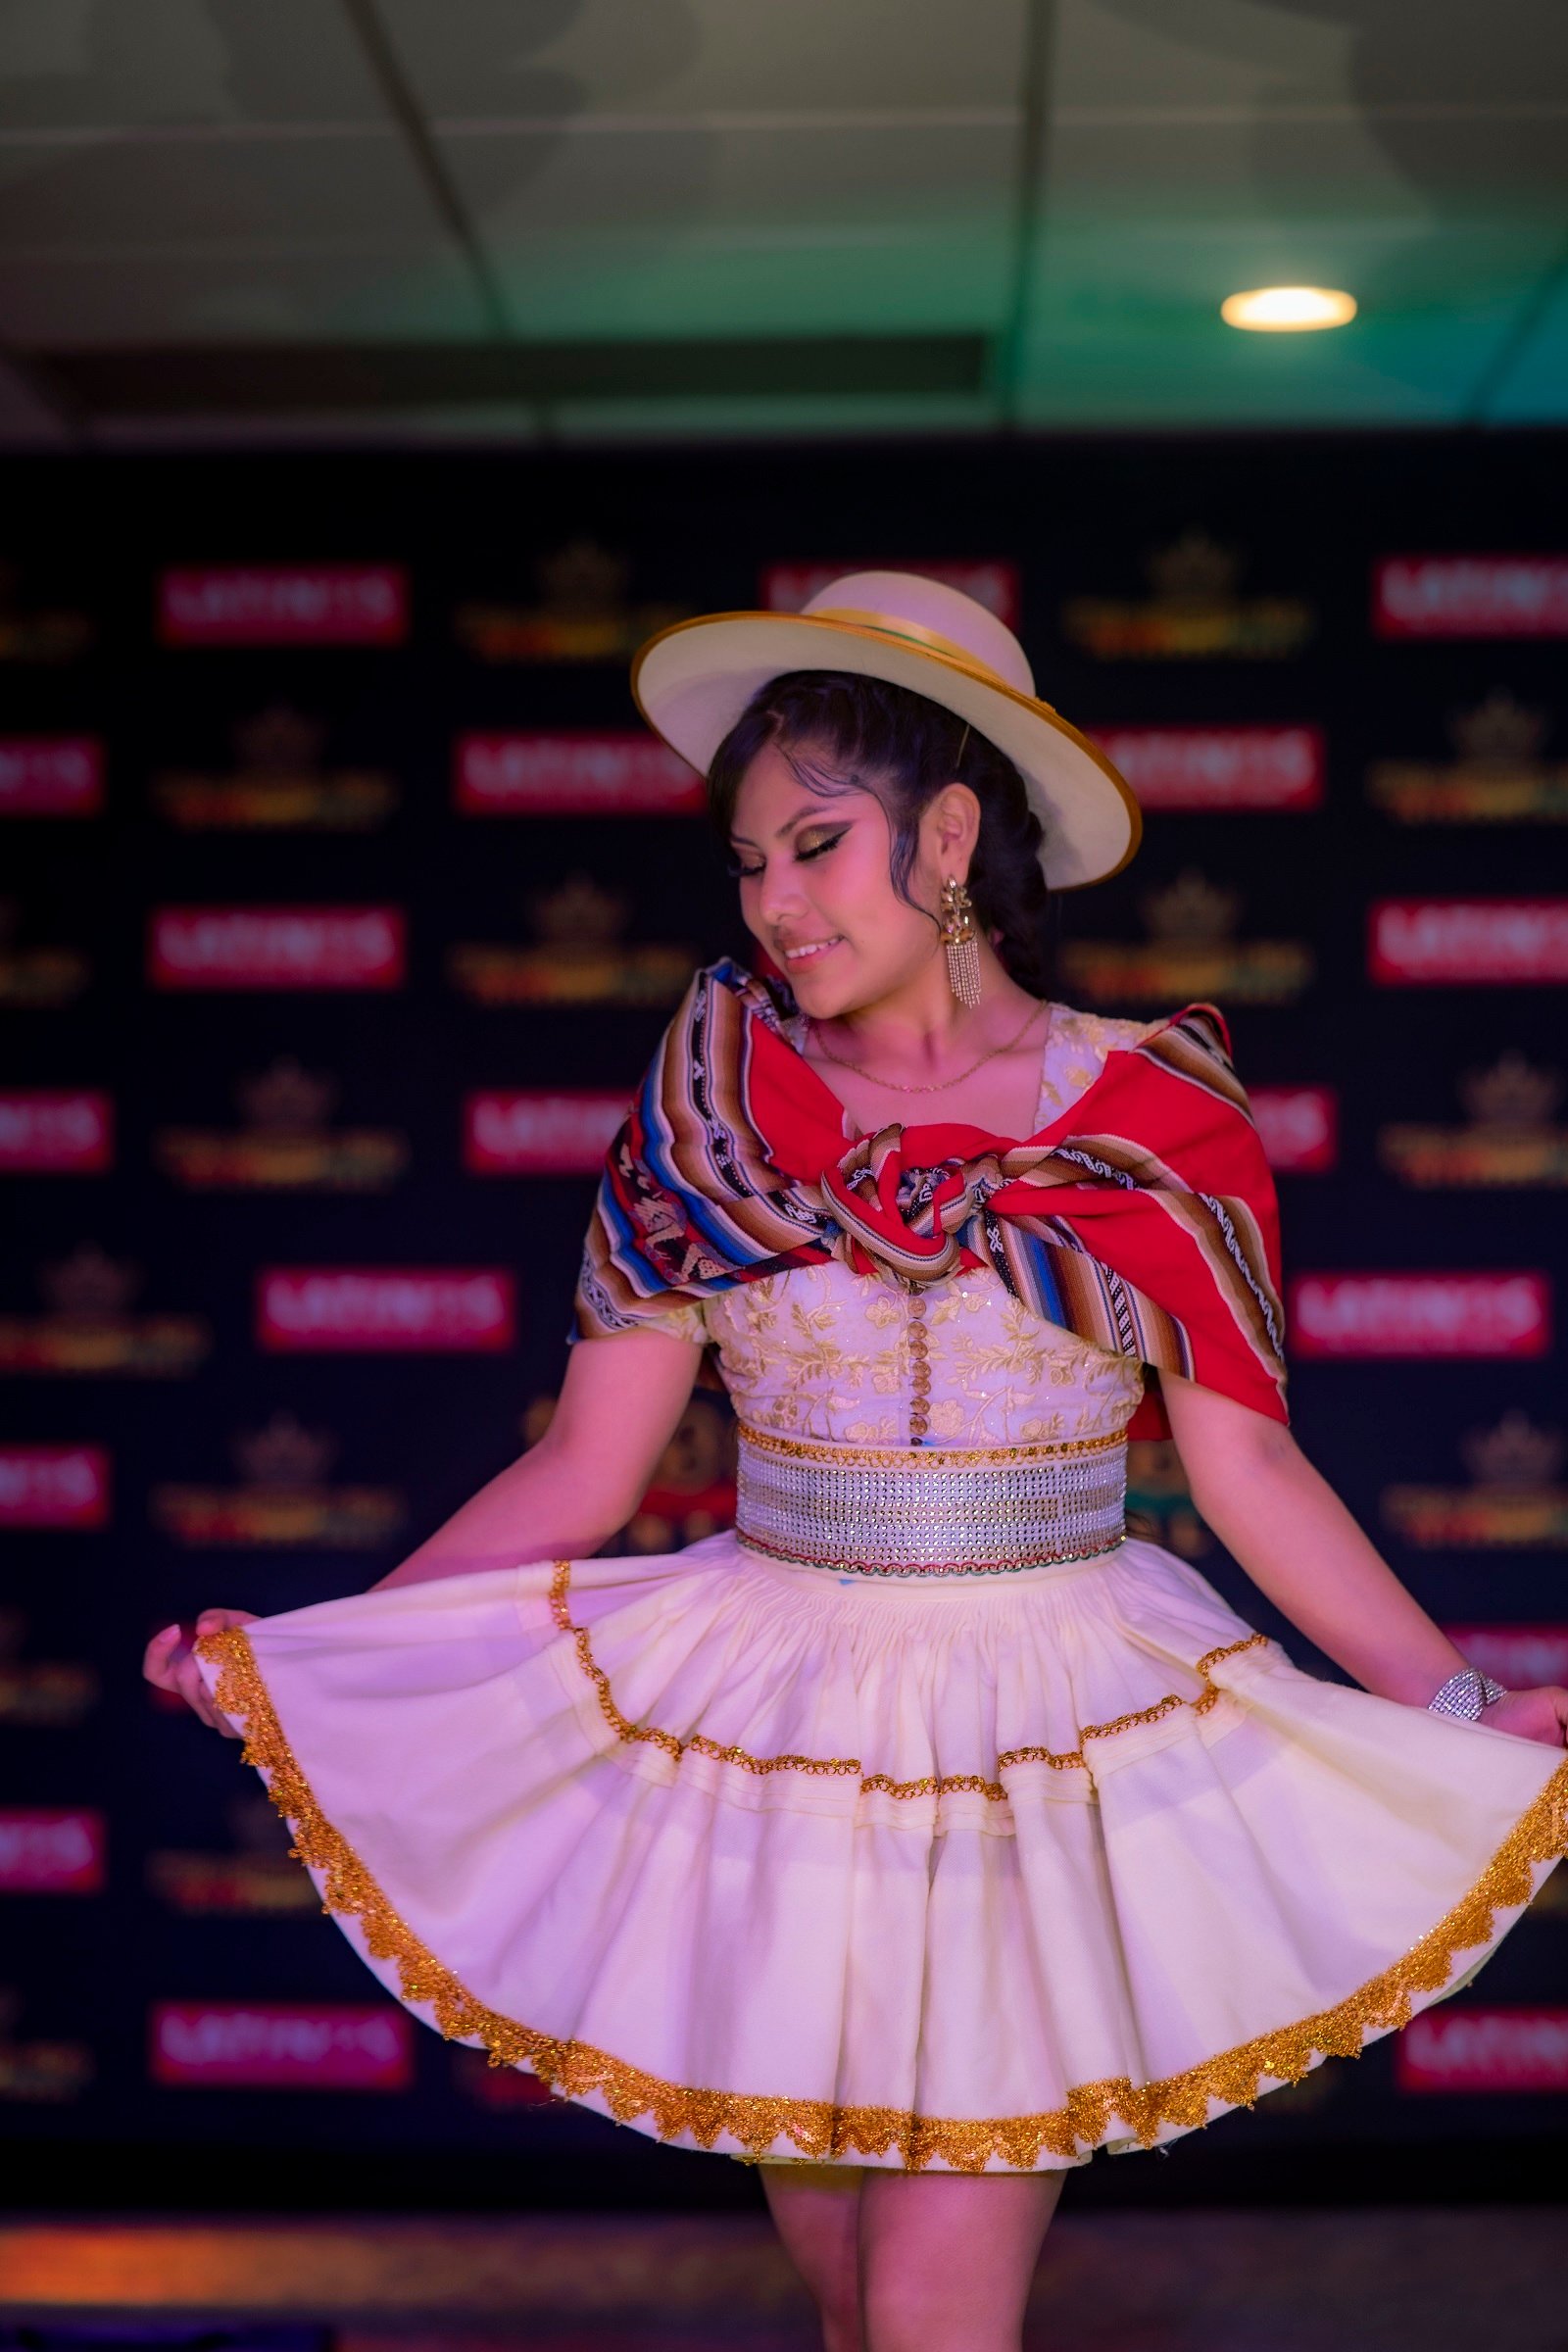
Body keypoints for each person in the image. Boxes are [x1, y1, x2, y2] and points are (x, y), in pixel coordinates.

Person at [146, 572, 1568, 2352]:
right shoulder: (711, 1115)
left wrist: (1454, 1705)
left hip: (1047, 1728)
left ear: (950, 836)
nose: (774, 901)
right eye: (751, 861)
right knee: (850, 2308)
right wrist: (312, 1659)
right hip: (772, 1730)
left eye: (818, 846)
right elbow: (581, 1472)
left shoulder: (1149, 1120)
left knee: (926, 2317)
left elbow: (1253, 1474)